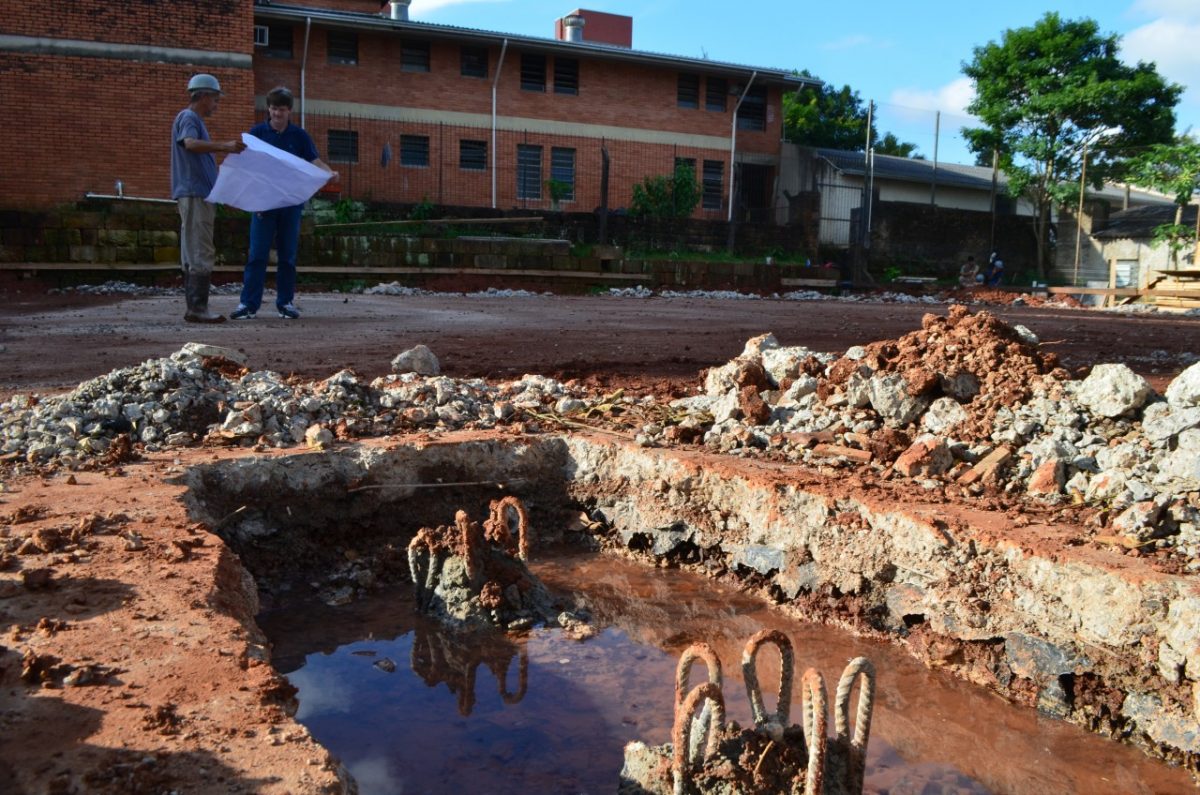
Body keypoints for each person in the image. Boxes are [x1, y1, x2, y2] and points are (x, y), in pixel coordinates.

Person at [231, 86, 339, 320]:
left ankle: (285, 302)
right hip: (263, 204)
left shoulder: (299, 136)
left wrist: (329, 172)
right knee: (257, 255)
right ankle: (248, 304)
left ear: (289, 110)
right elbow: (247, 167)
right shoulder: (258, 133)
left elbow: (314, 160)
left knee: (287, 256)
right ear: (268, 109)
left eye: (281, 109)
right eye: (273, 109)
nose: (277, 114)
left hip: (290, 203)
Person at [172, 73, 246, 323]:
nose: (216, 104)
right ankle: (197, 308)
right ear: (202, 96)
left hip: (196, 194)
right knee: (199, 249)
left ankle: (196, 307)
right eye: (215, 99)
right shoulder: (189, 117)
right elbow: (190, 144)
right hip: (195, 194)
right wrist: (224, 146)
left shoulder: (192, 119)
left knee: (193, 248)